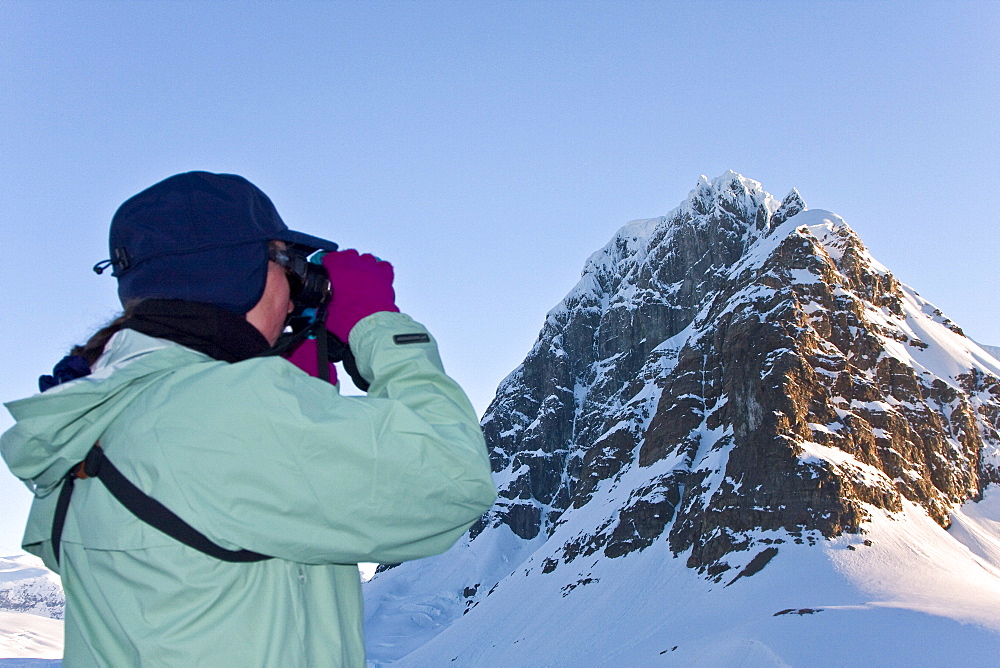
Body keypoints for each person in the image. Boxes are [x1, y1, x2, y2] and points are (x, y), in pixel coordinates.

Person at [0, 171, 497, 666]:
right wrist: (379, 324)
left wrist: (293, 390)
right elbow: (454, 477)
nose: (293, 287)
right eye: (285, 262)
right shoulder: (218, 413)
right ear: (233, 272)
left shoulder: (105, 412)